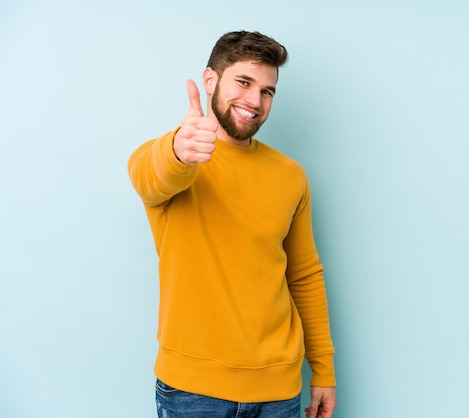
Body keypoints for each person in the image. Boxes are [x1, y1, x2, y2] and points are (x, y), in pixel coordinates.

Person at [127, 30, 337, 418]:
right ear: (210, 80)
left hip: (279, 392)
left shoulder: (290, 176)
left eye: (267, 91)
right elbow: (150, 176)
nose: (254, 101)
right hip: (193, 393)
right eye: (243, 82)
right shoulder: (172, 156)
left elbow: (304, 275)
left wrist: (324, 371)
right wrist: (178, 150)